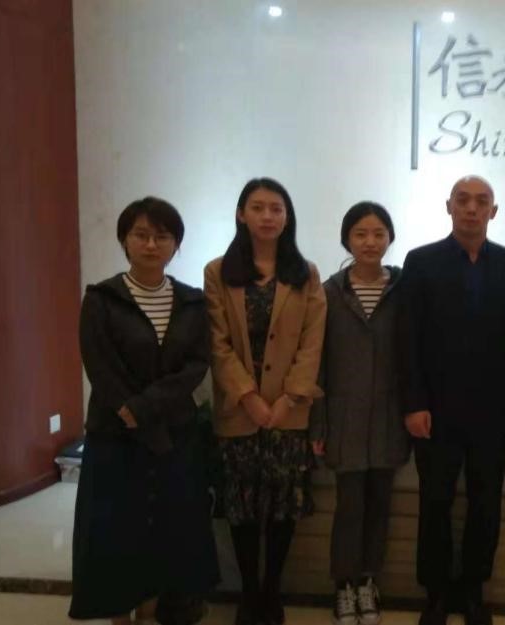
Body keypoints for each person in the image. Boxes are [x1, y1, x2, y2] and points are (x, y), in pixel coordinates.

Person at [70, 197, 219, 625]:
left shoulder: (191, 302)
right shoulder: (101, 299)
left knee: (165, 530)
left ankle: (150, 610)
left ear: (176, 244)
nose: (151, 244)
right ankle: (119, 615)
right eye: (141, 235)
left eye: (162, 236)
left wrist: (145, 408)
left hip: (173, 435)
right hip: (115, 434)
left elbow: (195, 364)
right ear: (125, 240)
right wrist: (129, 409)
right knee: (116, 529)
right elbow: (99, 364)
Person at [399, 175, 505, 625]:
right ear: (448, 206)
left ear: (494, 211)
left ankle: (473, 589)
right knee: (434, 502)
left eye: (481, 201)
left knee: (486, 502)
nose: (472, 208)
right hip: (433, 409)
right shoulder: (421, 262)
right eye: (463, 200)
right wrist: (413, 402)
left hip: (492, 410)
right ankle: (435, 593)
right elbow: (408, 338)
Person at [204, 178, 327, 625]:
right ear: (241, 214)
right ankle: (248, 592)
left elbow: (313, 342)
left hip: (288, 412)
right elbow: (217, 343)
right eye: (257, 207)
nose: (267, 216)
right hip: (239, 411)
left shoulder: (306, 274)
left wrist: (289, 398)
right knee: (241, 506)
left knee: (281, 506)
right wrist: (248, 397)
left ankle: (272, 590)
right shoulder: (218, 272)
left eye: (276, 208)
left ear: (287, 217)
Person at [311, 202, 410, 625]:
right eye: (360, 234)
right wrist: (318, 423)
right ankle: (344, 585)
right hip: (344, 417)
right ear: (346, 240)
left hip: (390, 415)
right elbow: (316, 362)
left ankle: (369, 580)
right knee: (349, 507)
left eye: (378, 233)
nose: (370, 242)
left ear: (390, 239)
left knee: (380, 505)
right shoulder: (329, 292)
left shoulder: (404, 289)